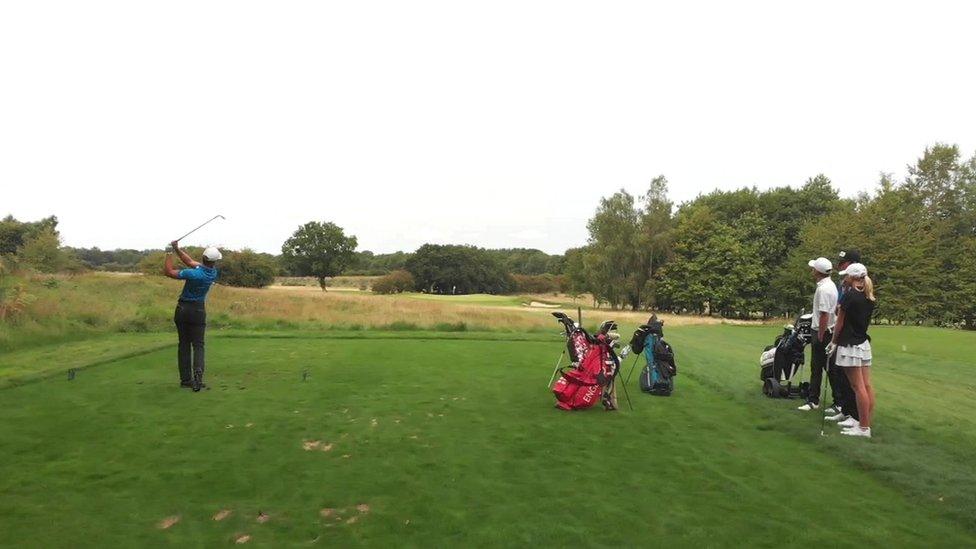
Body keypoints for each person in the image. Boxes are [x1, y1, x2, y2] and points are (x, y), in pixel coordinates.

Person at [163, 241, 221, 391]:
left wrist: (169, 253)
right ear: (214, 261)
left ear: (203, 258)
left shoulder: (193, 273)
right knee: (198, 345)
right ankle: (198, 376)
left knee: (184, 345)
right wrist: (176, 248)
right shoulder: (212, 272)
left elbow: (169, 272)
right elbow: (188, 261)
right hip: (198, 311)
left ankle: (186, 380)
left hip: (182, 309)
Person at [826, 263, 876, 438]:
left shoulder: (849, 296)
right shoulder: (868, 296)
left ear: (852, 277)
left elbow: (839, 324)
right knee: (866, 386)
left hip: (850, 345)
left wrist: (833, 342)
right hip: (862, 343)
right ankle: (864, 422)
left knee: (858, 387)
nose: (844, 278)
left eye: (846, 275)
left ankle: (863, 428)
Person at [824, 249, 861, 425]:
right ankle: (845, 409)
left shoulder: (857, 288)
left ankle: (853, 413)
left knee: (850, 378)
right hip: (840, 332)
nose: (840, 265)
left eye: (844, 262)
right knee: (838, 372)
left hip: (850, 336)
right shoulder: (844, 283)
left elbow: (844, 310)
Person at [798, 257, 837, 411]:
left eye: (813, 268)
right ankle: (815, 399)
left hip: (823, 332)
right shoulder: (829, 285)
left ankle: (829, 401)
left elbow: (824, 315)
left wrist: (820, 334)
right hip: (826, 331)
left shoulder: (824, 289)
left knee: (825, 368)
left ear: (818, 272)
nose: (812, 270)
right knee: (820, 367)